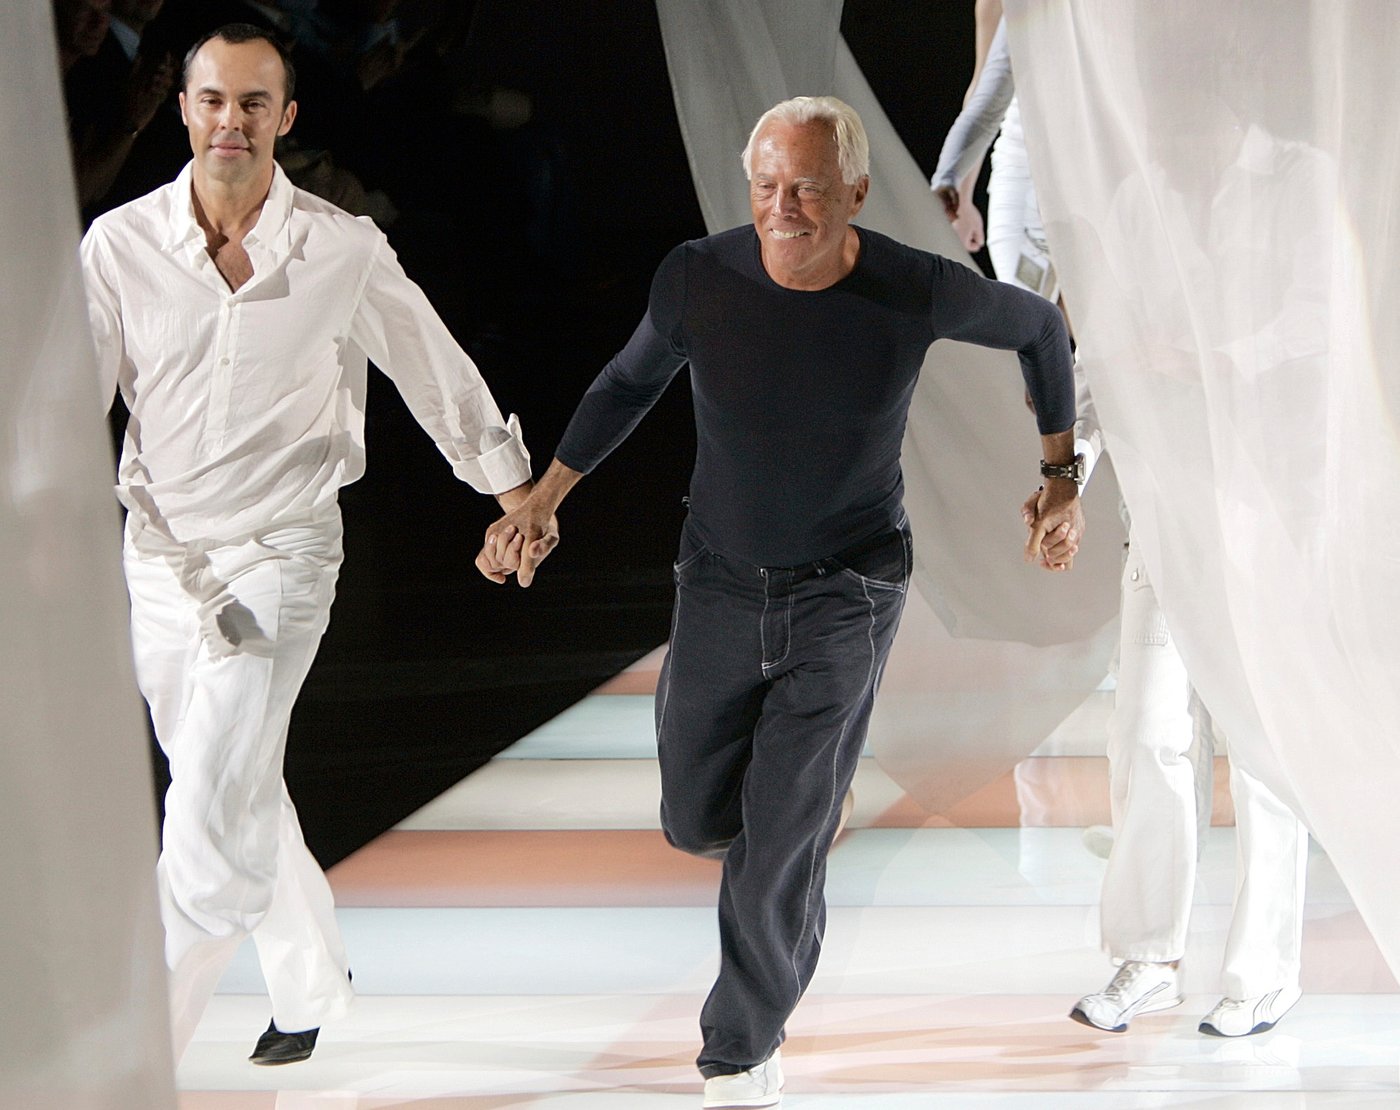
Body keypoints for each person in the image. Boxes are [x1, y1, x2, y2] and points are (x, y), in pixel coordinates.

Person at [474, 96, 1082, 1108]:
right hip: (716, 579)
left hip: (848, 587)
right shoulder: (695, 277)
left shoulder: (911, 286)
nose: (781, 207)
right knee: (692, 818)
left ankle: (737, 1049)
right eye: (764, 186)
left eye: (804, 187)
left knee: (777, 840)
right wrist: (545, 494)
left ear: (852, 190)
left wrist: (1058, 470)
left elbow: (1035, 330)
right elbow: (627, 384)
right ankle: (801, 817)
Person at [79, 23, 534, 1065]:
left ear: (285, 117)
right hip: (159, 561)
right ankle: (314, 982)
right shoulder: (119, 246)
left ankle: (137, 1054)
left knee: (203, 812)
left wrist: (511, 492)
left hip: (283, 553)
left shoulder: (340, 246)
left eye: (252, 103)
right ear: (183, 109)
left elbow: (433, 367)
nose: (229, 121)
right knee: (227, 774)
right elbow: (68, 403)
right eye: (211, 100)